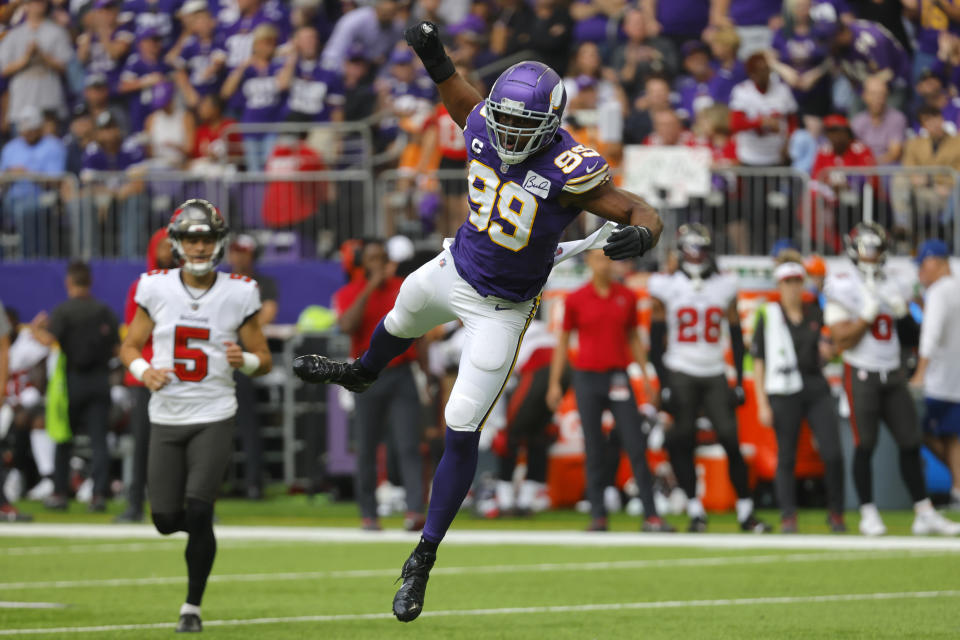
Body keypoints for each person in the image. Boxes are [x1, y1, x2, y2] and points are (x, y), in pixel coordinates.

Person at [294, 21, 662, 623]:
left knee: (460, 420)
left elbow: (638, 207)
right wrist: (434, 54)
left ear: (549, 124)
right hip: (454, 267)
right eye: (504, 121)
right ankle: (362, 371)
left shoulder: (570, 164)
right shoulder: (483, 121)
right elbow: (453, 88)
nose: (509, 133)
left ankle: (422, 558)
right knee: (404, 307)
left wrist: (645, 232)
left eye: (524, 126)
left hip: (503, 307)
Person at [119, 199, 272, 632]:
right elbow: (129, 346)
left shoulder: (240, 291)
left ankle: (192, 607)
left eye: (206, 238)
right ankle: (196, 538)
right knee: (166, 520)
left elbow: (264, 359)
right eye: (192, 238)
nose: (200, 246)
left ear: (218, 242)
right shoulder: (154, 287)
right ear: (177, 243)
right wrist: (143, 370)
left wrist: (244, 360)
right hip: (166, 413)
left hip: (214, 412)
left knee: (199, 510)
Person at [823, 222, 960, 536]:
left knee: (910, 442)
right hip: (861, 372)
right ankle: (868, 512)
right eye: (866, 249)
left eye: (876, 249)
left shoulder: (895, 283)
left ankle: (923, 511)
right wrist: (866, 316)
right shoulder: (842, 283)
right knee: (865, 444)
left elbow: (912, 336)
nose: (872, 256)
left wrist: (900, 314)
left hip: (893, 373)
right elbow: (841, 341)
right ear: (854, 251)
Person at [647, 223, 771, 533]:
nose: (698, 254)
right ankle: (695, 509)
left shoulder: (724, 285)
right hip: (680, 369)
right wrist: (663, 384)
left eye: (702, 247)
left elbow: (737, 336)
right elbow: (655, 339)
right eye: (693, 247)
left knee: (731, 439)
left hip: (715, 370)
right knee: (682, 440)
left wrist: (740, 382)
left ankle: (746, 512)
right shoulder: (665, 285)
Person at [546, 249, 673, 533]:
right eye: (599, 258)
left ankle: (651, 515)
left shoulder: (626, 297)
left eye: (608, 258)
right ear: (589, 261)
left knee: (635, 443)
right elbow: (563, 343)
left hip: (618, 376)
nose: (605, 263)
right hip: (587, 378)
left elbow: (634, 339)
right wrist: (555, 383)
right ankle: (598, 515)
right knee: (593, 447)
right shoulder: (576, 298)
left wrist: (647, 378)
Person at [331, 238, 425, 531]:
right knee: (367, 446)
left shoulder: (402, 287)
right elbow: (347, 326)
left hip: (402, 371)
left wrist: (426, 373)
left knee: (409, 444)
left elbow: (419, 328)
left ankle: (414, 511)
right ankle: (368, 513)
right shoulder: (350, 292)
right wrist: (370, 286)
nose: (379, 264)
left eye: (382, 258)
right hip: (366, 373)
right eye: (372, 259)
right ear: (362, 263)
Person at [752, 252, 846, 533]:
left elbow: (831, 351)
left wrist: (830, 353)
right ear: (779, 285)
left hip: (815, 385)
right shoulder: (768, 315)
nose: (793, 287)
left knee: (832, 452)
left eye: (796, 281)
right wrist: (762, 403)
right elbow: (759, 361)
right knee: (787, 455)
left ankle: (836, 512)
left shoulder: (815, 313)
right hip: (783, 389)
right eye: (787, 281)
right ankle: (788, 514)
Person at [30, 262, 119, 512]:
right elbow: (117, 348)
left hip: (73, 382)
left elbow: (49, 341)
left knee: (63, 438)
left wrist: (36, 329)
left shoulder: (64, 311)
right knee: (99, 440)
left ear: (69, 282)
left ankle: (60, 493)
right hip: (101, 381)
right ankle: (99, 495)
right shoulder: (104, 311)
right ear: (89, 282)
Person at [115, 228, 176, 523]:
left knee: (186, 442)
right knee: (142, 444)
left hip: (182, 374)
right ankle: (135, 504)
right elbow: (132, 331)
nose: (169, 251)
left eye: (172, 246)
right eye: (163, 246)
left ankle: (193, 504)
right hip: (148, 373)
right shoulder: (142, 286)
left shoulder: (191, 286)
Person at [226, 234, 277, 500]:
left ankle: (254, 482)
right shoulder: (222, 283)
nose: (239, 257)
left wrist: (236, 326)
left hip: (246, 357)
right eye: (235, 251)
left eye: (244, 252)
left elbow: (266, 315)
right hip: (220, 357)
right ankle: (219, 482)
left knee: (247, 421)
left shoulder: (262, 284)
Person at [910, 240, 960, 509]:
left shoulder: (939, 292)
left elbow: (930, 336)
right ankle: (958, 490)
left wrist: (919, 374)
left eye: (922, 265)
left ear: (935, 263)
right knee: (951, 437)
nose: (920, 273)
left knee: (917, 432)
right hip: (956, 379)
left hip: (937, 381)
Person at [0, 106, 67, 259]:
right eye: (24, 131)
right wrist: (10, 174)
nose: (27, 134)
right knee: (18, 208)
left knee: (24, 210)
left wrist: (27, 174)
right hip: (10, 198)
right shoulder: (11, 148)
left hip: (42, 198)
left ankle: (26, 258)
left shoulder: (53, 146)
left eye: (31, 130)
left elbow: (55, 181)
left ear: (40, 128)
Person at [0, 0, 73, 129]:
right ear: (26, 5)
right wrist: (26, 59)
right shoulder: (14, 34)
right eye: (34, 1)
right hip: (21, 100)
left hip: (48, 99)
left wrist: (43, 57)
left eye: (41, 2)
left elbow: (65, 66)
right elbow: (4, 69)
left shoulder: (56, 31)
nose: (38, 4)